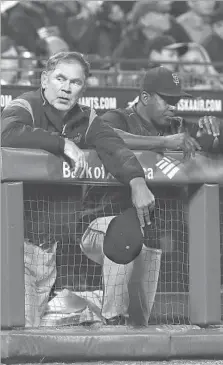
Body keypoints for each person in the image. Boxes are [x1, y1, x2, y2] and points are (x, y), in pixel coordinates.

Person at [83, 65, 223, 326]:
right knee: (126, 231)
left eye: (177, 100)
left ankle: (98, 317)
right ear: (145, 98)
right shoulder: (119, 117)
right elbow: (105, 136)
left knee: (138, 322)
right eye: (167, 99)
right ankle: (108, 321)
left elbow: (210, 141)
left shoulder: (177, 126)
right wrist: (164, 143)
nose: (174, 106)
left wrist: (217, 128)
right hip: (99, 228)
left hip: (147, 238)